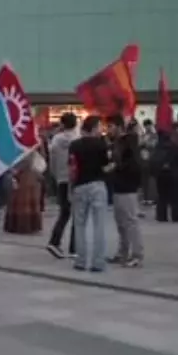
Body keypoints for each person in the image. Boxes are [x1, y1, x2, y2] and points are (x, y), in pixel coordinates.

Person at [69, 115, 112, 273]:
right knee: (99, 225)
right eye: (100, 127)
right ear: (94, 127)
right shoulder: (101, 144)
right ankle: (98, 262)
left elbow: (72, 168)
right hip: (97, 185)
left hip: (79, 186)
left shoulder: (74, 145)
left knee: (79, 225)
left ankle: (80, 260)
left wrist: (71, 187)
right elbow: (105, 166)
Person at [107, 116, 144, 268]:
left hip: (127, 186)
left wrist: (116, 167)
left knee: (130, 221)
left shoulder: (129, 142)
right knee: (121, 222)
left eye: (110, 126)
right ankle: (123, 252)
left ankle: (136, 254)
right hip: (118, 185)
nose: (108, 130)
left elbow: (133, 165)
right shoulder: (117, 143)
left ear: (119, 126)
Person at [46, 113, 79, 259]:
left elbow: (51, 162)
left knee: (64, 212)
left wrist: (56, 175)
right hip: (75, 179)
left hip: (61, 179)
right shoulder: (78, 139)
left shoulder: (56, 139)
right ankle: (74, 248)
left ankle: (55, 241)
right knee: (77, 214)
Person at [3, 150, 45, 235]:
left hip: (24, 174)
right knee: (23, 198)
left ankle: (17, 224)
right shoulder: (29, 146)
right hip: (27, 175)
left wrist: (13, 169)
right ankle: (26, 224)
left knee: (20, 198)